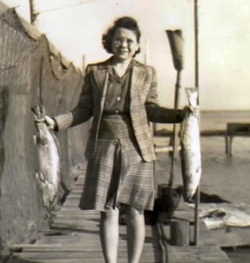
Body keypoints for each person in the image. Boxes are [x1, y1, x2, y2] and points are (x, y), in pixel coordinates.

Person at [46, 16, 188, 263]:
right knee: (108, 210)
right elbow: (84, 109)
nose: (123, 44)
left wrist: (181, 115)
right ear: (109, 42)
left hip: (139, 148)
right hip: (104, 146)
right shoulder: (95, 72)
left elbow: (152, 109)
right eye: (118, 39)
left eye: (129, 41)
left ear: (137, 45)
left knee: (135, 210)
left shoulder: (147, 73)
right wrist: (56, 122)